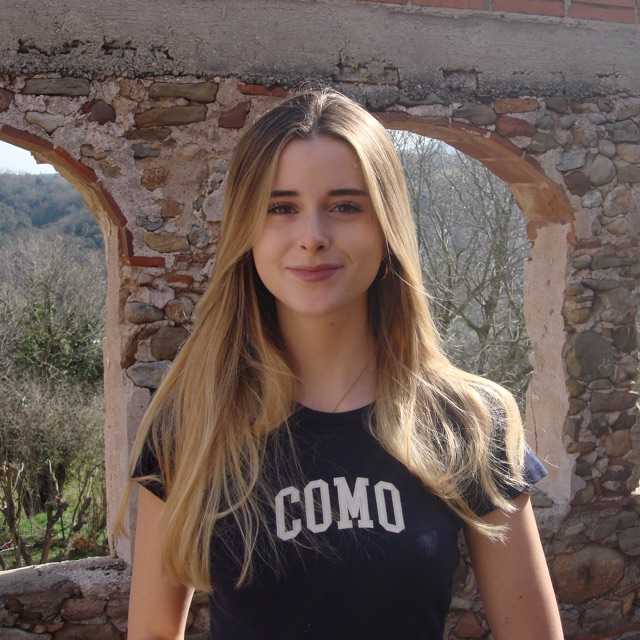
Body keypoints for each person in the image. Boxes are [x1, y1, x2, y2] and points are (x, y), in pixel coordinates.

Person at [112, 85, 564, 640]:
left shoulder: (469, 422)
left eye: (345, 206)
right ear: (245, 229)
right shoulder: (195, 420)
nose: (313, 237)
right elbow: (154, 633)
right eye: (281, 208)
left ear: (386, 225)